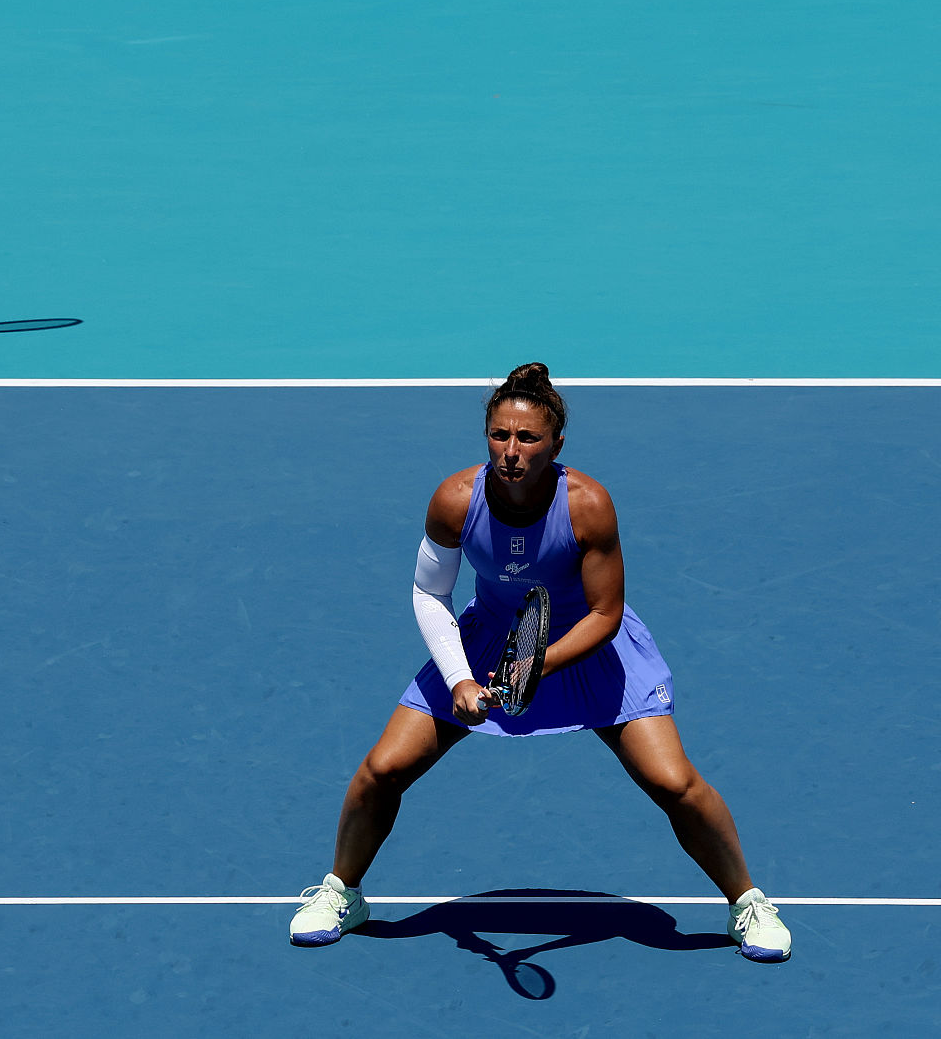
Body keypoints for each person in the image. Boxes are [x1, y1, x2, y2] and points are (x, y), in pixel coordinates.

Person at [288, 364, 791, 963]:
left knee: (673, 783)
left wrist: (531, 666)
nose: (511, 451)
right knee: (382, 769)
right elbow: (429, 594)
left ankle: (747, 902)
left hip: (586, 646)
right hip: (487, 641)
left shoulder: (587, 506)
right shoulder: (455, 500)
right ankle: (342, 892)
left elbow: (605, 613)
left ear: (556, 444)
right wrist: (460, 678)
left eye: (528, 438)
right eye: (499, 435)